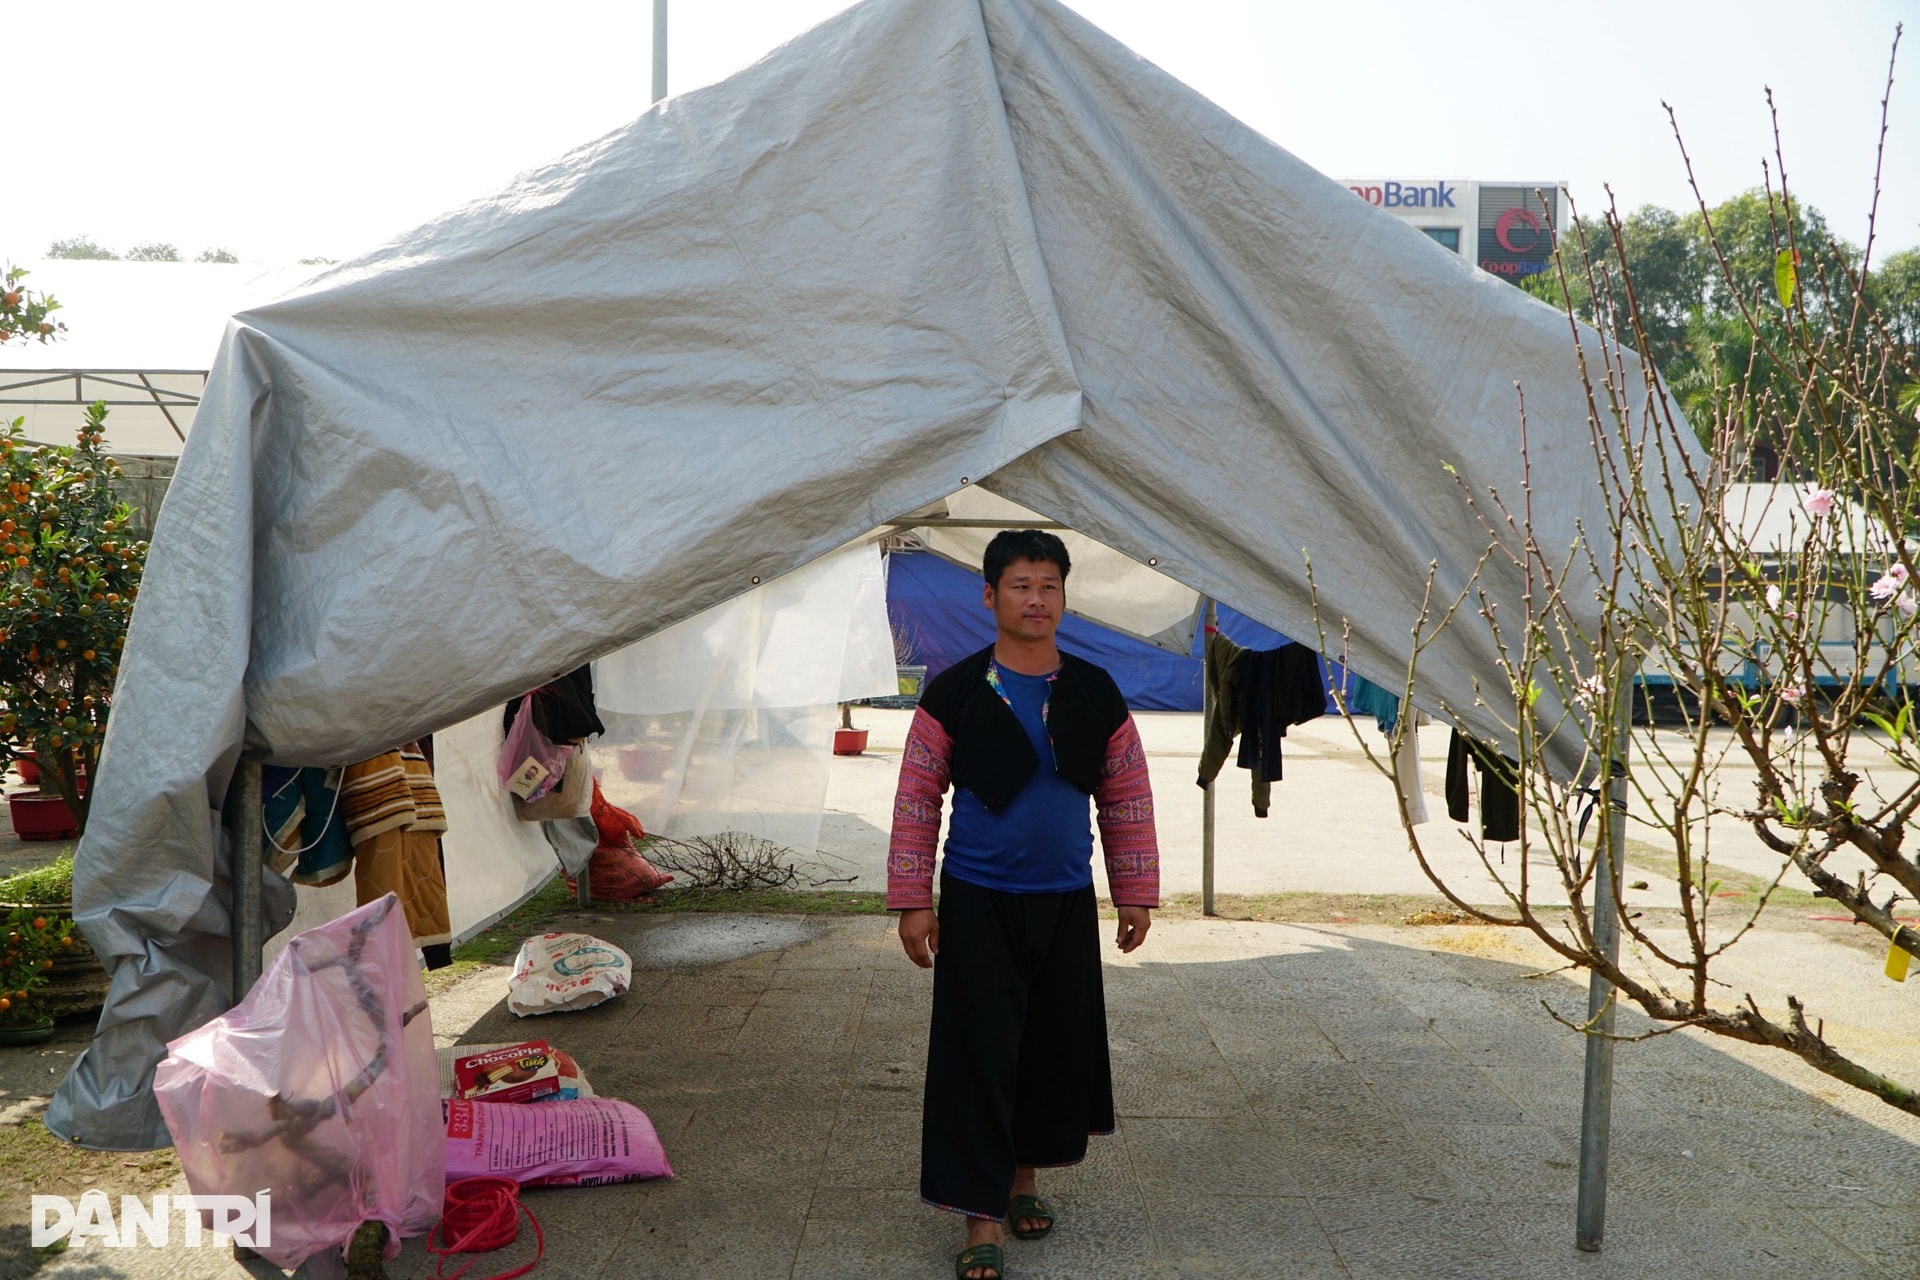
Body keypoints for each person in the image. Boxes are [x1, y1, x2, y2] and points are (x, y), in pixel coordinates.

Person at [887, 529, 1160, 1280]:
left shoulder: (1094, 691)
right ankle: (980, 1220)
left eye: (1049, 585)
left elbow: (1126, 795)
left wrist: (1133, 891)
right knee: (979, 1052)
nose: (1035, 598)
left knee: (1047, 1047)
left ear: (1064, 598)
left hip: (1065, 902)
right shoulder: (954, 691)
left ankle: (1022, 1182)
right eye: (1020, 585)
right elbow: (917, 799)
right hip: (978, 901)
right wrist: (914, 900)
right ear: (989, 596)